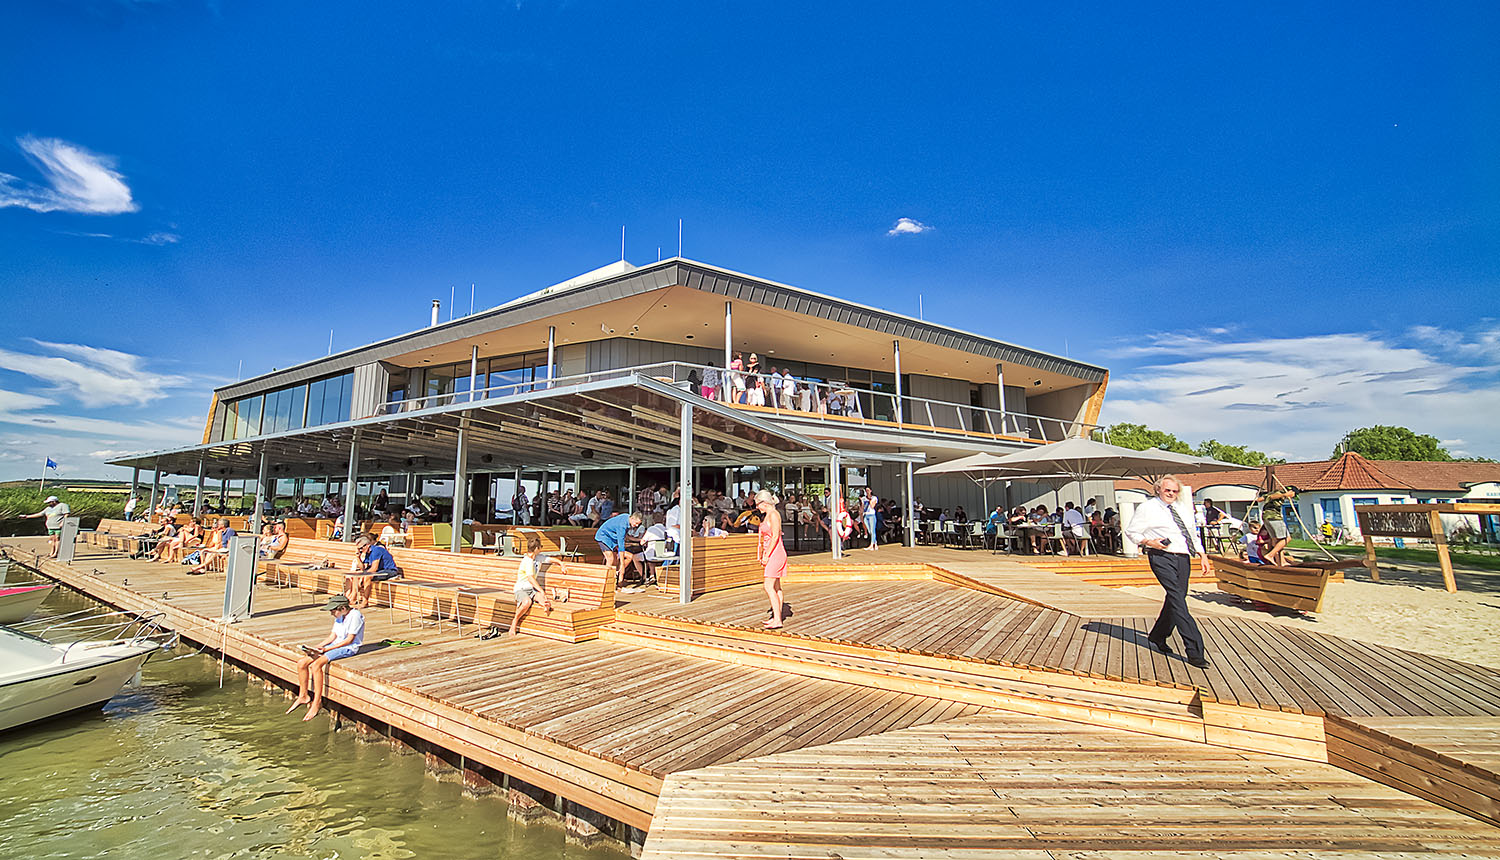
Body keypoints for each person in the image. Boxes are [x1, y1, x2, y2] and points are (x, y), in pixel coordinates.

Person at [1124, 475, 1211, 668]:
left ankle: (1158, 635)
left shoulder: (1182, 508)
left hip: (1183, 556)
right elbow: (1131, 531)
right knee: (1178, 600)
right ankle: (1195, 651)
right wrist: (1148, 542)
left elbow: (1191, 532)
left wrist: (1202, 554)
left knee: (1176, 598)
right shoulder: (1148, 508)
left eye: (1174, 491)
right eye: (1167, 490)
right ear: (1158, 490)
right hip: (1161, 556)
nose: (1171, 494)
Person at [287, 594, 364, 721]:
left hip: (348, 648)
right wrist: (317, 647)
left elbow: (349, 640)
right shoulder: (340, 616)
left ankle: (317, 702)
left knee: (316, 665)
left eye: (333, 611)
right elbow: (332, 637)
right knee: (302, 663)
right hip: (335, 645)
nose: (332, 614)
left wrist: (326, 650)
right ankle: (303, 695)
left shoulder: (355, 616)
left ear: (343, 609)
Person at [509, 534, 557, 635]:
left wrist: (562, 564)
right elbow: (530, 578)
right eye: (540, 547)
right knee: (527, 602)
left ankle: (545, 606)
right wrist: (541, 590)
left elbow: (550, 559)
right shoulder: (527, 561)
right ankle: (515, 622)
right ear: (536, 548)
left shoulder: (538, 558)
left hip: (532, 589)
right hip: (521, 589)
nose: (541, 549)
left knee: (543, 600)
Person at [755, 490, 788, 629]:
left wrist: (767, 554)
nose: (757, 507)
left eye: (758, 504)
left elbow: (775, 536)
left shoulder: (774, 514)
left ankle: (778, 619)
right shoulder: (768, 515)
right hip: (773, 551)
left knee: (768, 586)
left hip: (775, 553)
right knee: (776, 586)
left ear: (764, 503)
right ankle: (776, 616)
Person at [346, 533, 402, 608]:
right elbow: (363, 568)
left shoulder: (376, 550)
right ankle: (352, 598)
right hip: (379, 571)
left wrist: (363, 576)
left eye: (361, 548)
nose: (360, 550)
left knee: (367, 577)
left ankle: (365, 602)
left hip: (389, 570)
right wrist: (357, 557)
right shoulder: (367, 553)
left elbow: (374, 568)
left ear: (367, 545)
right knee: (356, 575)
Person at [595, 511, 644, 586]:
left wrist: (639, 540)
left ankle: (617, 578)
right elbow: (621, 546)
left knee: (629, 556)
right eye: (636, 523)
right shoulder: (622, 525)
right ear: (632, 518)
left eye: (638, 524)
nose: (636, 525)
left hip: (613, 539)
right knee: (610, 559)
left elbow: (625, 537)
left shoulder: (627, 518)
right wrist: (622, 564)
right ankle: (606, 581)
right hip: (603, 537)